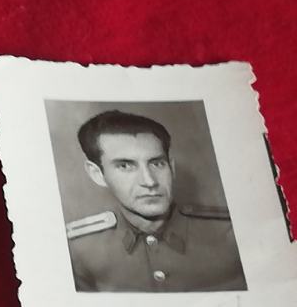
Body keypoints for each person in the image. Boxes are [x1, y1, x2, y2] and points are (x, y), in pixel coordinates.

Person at [65, 109, 246, 292]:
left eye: (157, 163)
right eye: (125, 166)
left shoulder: (232, 235)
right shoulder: (80, 251)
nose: (150, 181)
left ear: (171, 167)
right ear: (97, 174)